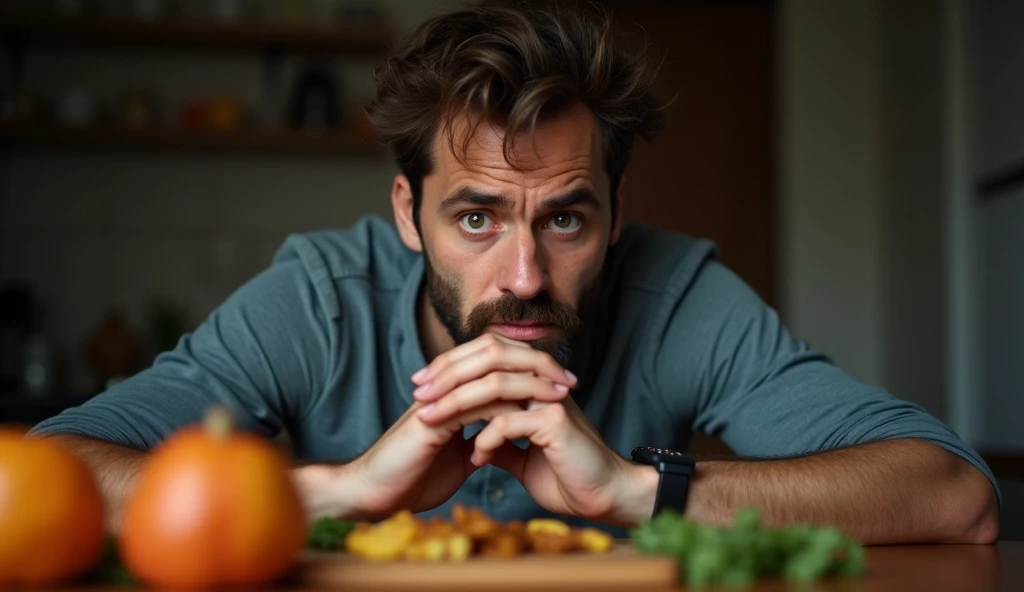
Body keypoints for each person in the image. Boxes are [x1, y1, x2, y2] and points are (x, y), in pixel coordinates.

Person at [31, 0, 1000, 543]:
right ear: (408, 214)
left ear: (615, 216)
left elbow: (955, 494)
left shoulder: (677, 296)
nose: (524, 273)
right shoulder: (315, 301)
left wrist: (633, 489)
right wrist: (346, 487)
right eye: (475, 216)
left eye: (566, 217)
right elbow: (40, 476)